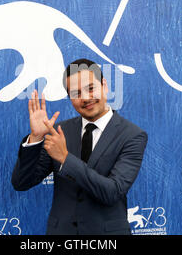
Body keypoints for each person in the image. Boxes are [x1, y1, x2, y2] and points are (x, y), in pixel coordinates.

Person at [11, 58, 148, 235]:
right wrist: (36, 138)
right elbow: (21, 183)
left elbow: (112, 192)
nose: (85, 98)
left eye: (91, 88)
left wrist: (65, 159)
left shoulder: (132, 135)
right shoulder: (60, 132)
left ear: (104, 86)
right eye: (75, 93)